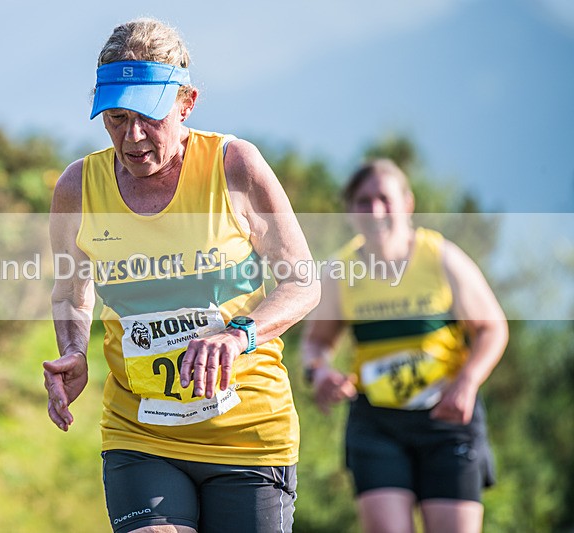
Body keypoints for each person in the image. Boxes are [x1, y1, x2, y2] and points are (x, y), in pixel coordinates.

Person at [42, 18, 320, 533]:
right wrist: (75, 352)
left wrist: (238, 337)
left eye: (148, 117)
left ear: (187, 103)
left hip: (247, 432)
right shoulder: (77, 188)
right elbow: (70, 295)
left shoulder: (235, 166)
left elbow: (302, 283)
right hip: (141, 431)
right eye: (116, 118)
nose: (133, 137)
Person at [301, 159, 508, 533]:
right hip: (377, 421)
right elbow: (316, 343)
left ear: (408, 203)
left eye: (384, 198)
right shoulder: (340, 271)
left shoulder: (441, 257)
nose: (375, 210)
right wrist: (320, 373)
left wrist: (467, 383)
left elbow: (493, 329)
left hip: (447, 417)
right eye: (363, 201)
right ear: (351, 211)